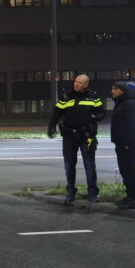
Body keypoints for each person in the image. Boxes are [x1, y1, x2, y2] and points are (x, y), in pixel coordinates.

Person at [47, 74, 106, 204]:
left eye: (79, 83)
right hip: (69, 135)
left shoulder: (93, 96)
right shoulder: (66, 96)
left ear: (86, 85)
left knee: (89, 165)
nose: (76, 84)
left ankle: (92, 194)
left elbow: (102, 113)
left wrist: (94, 117)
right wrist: (51, 127)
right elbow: (56, 113)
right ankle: (71, 192)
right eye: (75, 81)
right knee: (69, 165)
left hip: (86, 135)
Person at [109, 81, 135, 209]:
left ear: (122, 91)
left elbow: (133, 124)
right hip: (122, 142)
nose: (112, 91)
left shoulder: (130, 103)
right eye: (112, 88)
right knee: (124, 170)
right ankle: (129, 196)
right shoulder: (122, 103)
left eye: (115, 89)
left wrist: (126, 142)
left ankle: (133, 200)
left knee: (129, 170)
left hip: (129, 142)